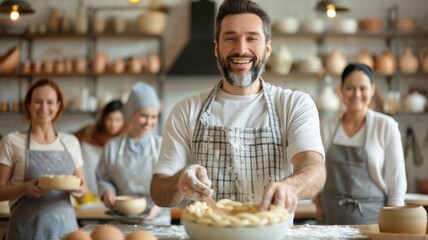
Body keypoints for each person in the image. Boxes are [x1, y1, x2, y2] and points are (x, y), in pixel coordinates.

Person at [150, 0, 326, 218]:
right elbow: (159, 193)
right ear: (217, 48)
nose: (241, 49)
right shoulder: (186, 110)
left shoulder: (294, 104)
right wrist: (179, 182)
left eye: (252, 38)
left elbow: (314, 168)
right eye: (230, 38)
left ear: (267, 48)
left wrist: (290, 187)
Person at [317, 63, 407, 225]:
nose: (357, 94)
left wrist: (394, 225)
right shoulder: (327, 126)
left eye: (363, 88)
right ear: (341, 90)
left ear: (372, 90)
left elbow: (397, 183)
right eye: (350, 88)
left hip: (373, 222)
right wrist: (317, 204)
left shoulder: (386, 126)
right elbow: (315, 171)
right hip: (330, 222)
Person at [0, 78, 88, 240]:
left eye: (50, 102)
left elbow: (83, 190)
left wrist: (79, 190)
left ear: (58, 105)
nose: (44, 108)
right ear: (28, 104)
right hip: (25, 231)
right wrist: (26, 188)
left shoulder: (71, 142)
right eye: (38, 102)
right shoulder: (11, 141)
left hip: (66, 231)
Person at [96, 81, 170, 225]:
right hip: (123, 218)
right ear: (131, 114)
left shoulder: (163, 145)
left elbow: (171, 185)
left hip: (157, 219)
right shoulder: (112, 147)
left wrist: (157, 207)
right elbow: (103, 178)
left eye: (154, 117)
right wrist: (107, 192)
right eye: (144, 115)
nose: (149, 122)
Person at [74, 99, 126, 200]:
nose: (113, 124)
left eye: (118, 120)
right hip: (87, 185)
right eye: (109, 119)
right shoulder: (89, 131)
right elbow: (70, 142)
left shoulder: (126, 139)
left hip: (113, 192)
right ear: (103, 118)